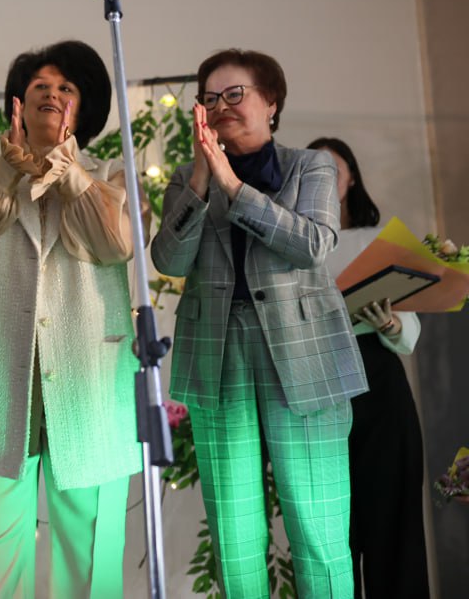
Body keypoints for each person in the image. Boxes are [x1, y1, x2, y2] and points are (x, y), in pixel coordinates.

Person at [0, 41, 142, 598]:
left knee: (90, 544)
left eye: (65, 88)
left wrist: (69, 173)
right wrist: (6, 169)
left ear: (85, 107)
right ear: (18, 104)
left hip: (90, 381)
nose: (52, 94)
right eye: (40, 86)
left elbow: (116, 244)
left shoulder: (112, 176)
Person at [150, 50, 367, 598]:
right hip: (219, 355)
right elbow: (170, 260)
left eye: (235, 94)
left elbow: (312, 244)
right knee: (236, 537)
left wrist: (233, 186)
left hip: (305, 355)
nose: (221, 106)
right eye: (210, 98)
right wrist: (203, 180)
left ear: (271, 102)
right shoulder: (187, 179)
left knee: (319, 531)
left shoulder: (310, 166)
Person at [308, 136, 429, 599]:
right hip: (319, 390)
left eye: (333, 170)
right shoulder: (296, 245)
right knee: (333, 537)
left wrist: (390, 321)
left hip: (380, 386)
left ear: (352, 179)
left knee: (394, 529)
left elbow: (409, 338)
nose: (324, 180)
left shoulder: (377, 240)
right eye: (314, 172)